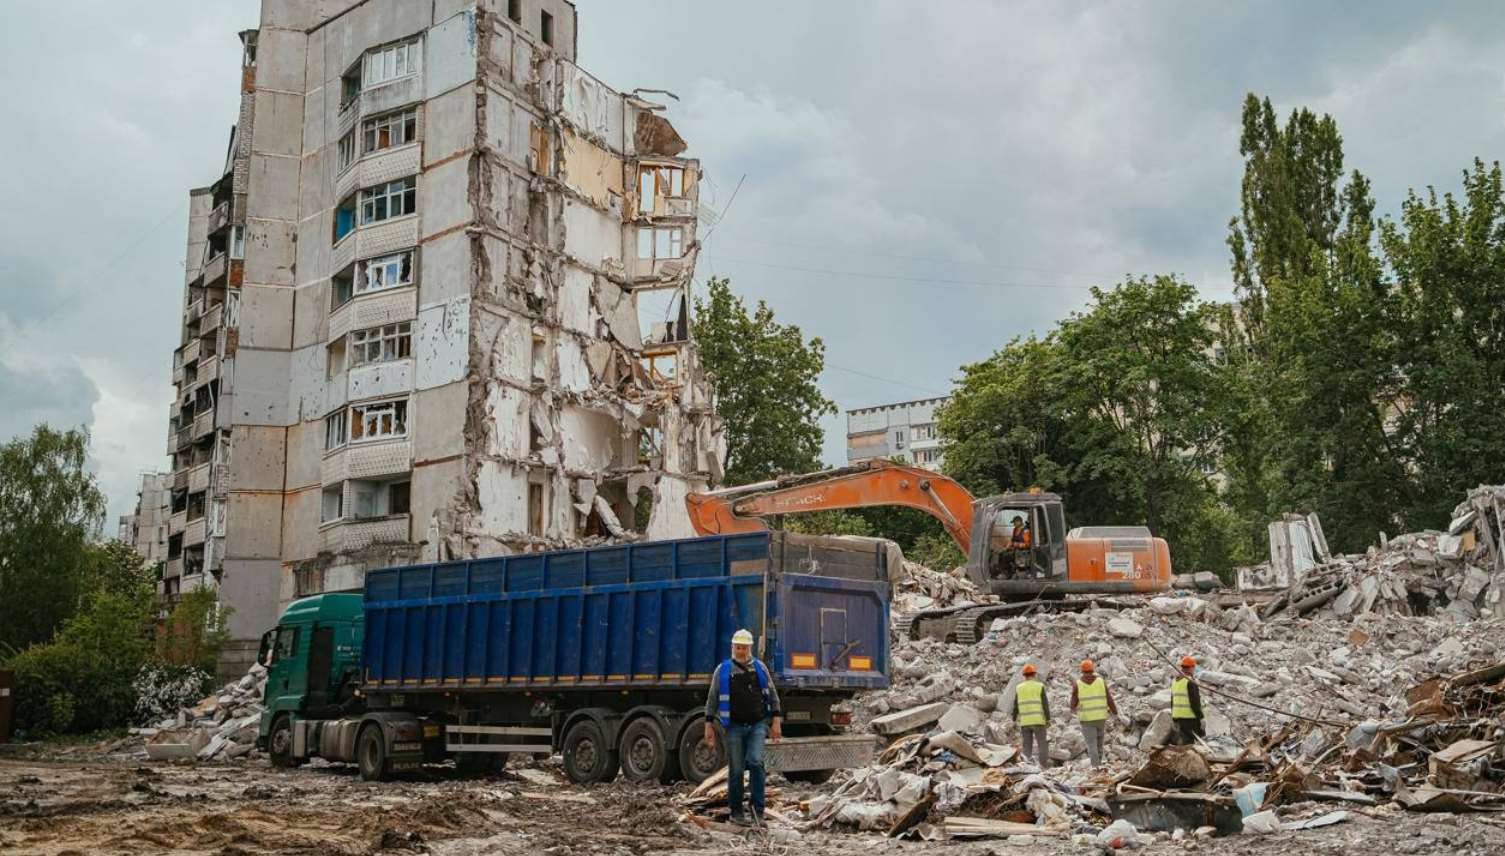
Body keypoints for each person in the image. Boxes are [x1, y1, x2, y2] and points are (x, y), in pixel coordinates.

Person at [704, 628, 782, 826]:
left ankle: (758, 812)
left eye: (744, 648)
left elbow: (772, 695)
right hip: (734, 727)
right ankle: (736, 812)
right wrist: (708, 725)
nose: (740, 651)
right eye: (738, 647)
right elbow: (712, 699)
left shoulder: (760, 668)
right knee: (736, 770)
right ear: (733, 648)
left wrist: (775, 721)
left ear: (750, 648)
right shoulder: (722, 671)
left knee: (755, 762)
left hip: (757, 724)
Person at [1069, 659, 1118, 766]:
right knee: (1099, 745)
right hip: (1101, 718)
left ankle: (1096, 768)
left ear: (1081, 670)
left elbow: (1072, 704)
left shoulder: (1078, 684)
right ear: (1092, 669)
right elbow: (1109, 698)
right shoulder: (1101, 681)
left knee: (1092, 745)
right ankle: (1099, 766)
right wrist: (1115, 712)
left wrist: (1075, 708)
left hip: (1087, 719)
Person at [1012, 663, 1050, 766]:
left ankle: (1027, 766)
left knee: (1027, 746)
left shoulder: (1019, 687)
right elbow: (1045, 704)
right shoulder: (1039, 686)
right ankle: (1043, 766)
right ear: (1034, 674)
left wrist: (1014, 718)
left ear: (1024, 675)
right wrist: (1048, 719)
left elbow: (1015, 705)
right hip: (1038, 721)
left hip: (1025, 722)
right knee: (1042, 744)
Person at [1170, 655, 1205, 745]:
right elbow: (1195, 702)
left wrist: (1174, 718)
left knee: (1183, 741)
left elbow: (1172, 701)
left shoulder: (1175, 681)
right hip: (1190, 718)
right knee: (1194, 742)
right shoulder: (1190, 681)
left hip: (1178, 717)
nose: (1194, 669)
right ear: (1191, 667)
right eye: (1194, 667)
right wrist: (1200, 717)